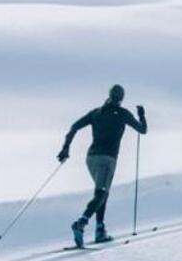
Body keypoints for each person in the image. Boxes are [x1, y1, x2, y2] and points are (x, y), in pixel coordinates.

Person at [57, 85, 147, 247]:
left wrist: (65, 148)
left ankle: (100, 229)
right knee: (101, 193)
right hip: (108, 159)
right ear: (121, 98)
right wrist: (142, 116)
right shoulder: (123, 114)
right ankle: (82, 222)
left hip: (91, 158)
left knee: (101, 194)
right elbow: (143, 130)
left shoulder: (96, 113)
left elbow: (73, 127)